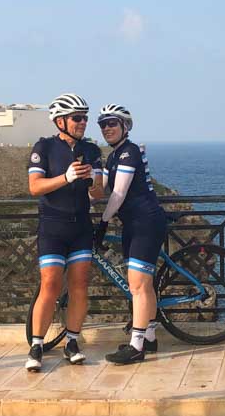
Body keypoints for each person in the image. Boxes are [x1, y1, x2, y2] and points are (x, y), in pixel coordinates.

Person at [26, 93, 103, 371]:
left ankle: (72, 342)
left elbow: (98, 192)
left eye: (85, 117)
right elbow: (35, 187)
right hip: (52, 226)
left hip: (81, 225)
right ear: (60, 121)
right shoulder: (44, 147)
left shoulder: (92, 150)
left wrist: (93, 180)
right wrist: (66, 177)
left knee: (80, 284)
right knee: (50, 285)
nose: (83, 122)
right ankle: (36, 346)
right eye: (77, 118)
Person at [92, 104, 168, 365]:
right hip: (132, 223)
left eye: (112, 123)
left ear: (125, 126)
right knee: (143, 284)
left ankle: (136, 347)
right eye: (102, 124)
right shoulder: (112, 157)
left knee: (137, 284)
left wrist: (102, 223)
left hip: (145, 222)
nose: (106, 128)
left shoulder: (130, 151)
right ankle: (148, 336)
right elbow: (99, 191)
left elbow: (119, 193)